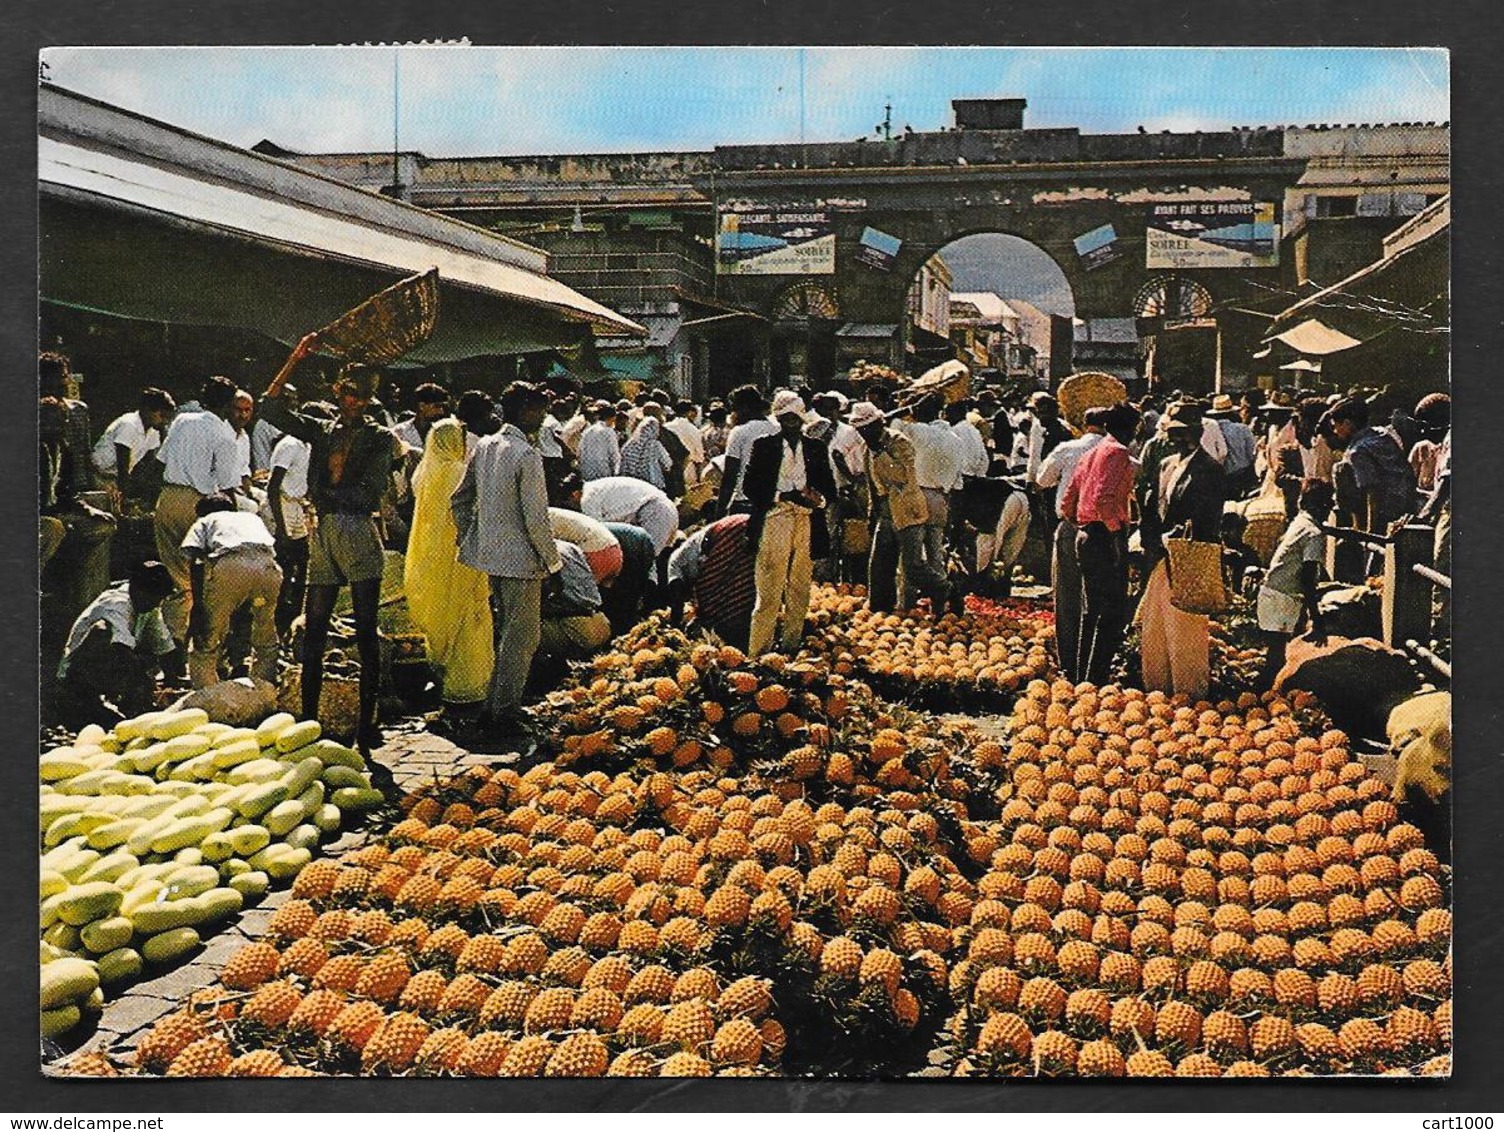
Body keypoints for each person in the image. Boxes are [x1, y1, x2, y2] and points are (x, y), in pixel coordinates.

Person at [260, 335, 402, 755]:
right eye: (349, 394)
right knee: (315, 626)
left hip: (356, 531)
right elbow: (270, 409)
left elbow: (370, 491)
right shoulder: (322, 430)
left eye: (363, 396)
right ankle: (309, 718)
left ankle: (366, 723)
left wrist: (323, 498)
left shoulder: (379, 437)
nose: (355, 402)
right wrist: (295, 358)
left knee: (365, 627)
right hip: (323, 531)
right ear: (338, 393)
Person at [450, 381, 561, 737]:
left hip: (492, 557)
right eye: (538, 409)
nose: (543, 416)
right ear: (523, 411)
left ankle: (494, 705)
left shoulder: (485, 446)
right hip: (523, 560)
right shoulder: (524, 454)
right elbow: (536, 518)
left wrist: (474, 539)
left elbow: (459, 500)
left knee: (507, 634)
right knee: (522, 638)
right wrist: (554, 563)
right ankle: (504, 712)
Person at [1137, 402, 1227, 701]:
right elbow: (1156, 507)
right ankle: (1158, 691)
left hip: (1190, 558)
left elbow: (1209, 516)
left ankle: (1190, 695)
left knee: (1185, 631)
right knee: (1155, 627)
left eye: (1183, 433)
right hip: (1162, 554)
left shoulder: (1210, 469)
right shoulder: (1167, 464)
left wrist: (1184, 537)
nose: (1176, 439)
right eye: (1173, 433)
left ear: (1199, 432)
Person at [405, 418, 494, 716]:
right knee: (467, 616)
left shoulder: (422, 473)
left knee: (441, 612)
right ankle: (467, 689)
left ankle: (443, 680)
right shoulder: (459, 472)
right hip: (459, 553)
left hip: (429, 555)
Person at [743, 392, 837, 657]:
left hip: (806, 519)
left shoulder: (816, 448)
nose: (790, 423)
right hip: (776, 516)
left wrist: (816, 500)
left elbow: (829, 488)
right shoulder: (764, 445)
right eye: (784, 418)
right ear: (778, 419)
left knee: (799, 586)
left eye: (795, 418)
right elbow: (751, 487)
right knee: (769, 590)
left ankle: (790, 647)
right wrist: (782, 496)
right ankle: (758, 652)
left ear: (802, 417)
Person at [152, 375, 243, 642]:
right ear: (228, 405)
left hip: (168, 499)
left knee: (175, 578)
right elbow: (227, 487)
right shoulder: (225, 435)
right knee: (202, 581)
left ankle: (170, 645)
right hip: (200, 505)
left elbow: (160, 462)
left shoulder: (182, 421)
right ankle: (196, 643)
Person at [1061, 404, 1140, 685]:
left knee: (1091, 610)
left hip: (1086, 534)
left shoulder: (1091, 453)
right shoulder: (1118, 452)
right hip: (1103, 537)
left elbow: (1067, 502)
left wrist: (1084, 525)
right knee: (1110, 612)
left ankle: (1083, 676)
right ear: (1130, 429)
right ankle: (1096, 678)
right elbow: (1105, 500)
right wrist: (1116, 539)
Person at [848, 401, 948, 613]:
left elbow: (902, 476)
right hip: (884, 512)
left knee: (912, 567)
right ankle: (880, 608)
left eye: (868, 428)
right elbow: (872, 484)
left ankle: (945, 590)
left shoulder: (898, 442)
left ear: (879, 423)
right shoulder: (868, 447)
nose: (865, 434)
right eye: (861, 430)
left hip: (906, 510)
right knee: (879, 566)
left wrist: (880, 452)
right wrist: (871, 515)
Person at [54, 560, 176, 726]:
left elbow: (163, 644)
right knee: (103, 633)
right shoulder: (117, 604)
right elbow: (121, 650)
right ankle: (83, 698)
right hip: (77, 673)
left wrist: (170, 679)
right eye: (155, 598)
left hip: (114, 664)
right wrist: (145, 682)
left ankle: (124, 702)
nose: (157, 604)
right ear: (138, 590)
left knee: (143, 657)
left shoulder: (148, 606)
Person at [180, 493, 281, 688]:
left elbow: (197, 560)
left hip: (231, 567)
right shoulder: (251, 518)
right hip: (268, 569)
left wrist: (198, 606)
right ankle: (264, 688)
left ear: (202, 513)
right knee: (265, 629)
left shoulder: (206, 520)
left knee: (207, 635)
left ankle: (206, 692)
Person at [1036, 407, 1108, 680]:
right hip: (1106, 531)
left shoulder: (1068, 448)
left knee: (1068, 597)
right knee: (1098, 599)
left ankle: (1070, 665)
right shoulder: (1119, 450)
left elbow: (1042, 479)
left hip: (1071, 526)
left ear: (1084, 424)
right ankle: (1094, 668)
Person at [41, 396, 117, 622]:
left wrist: (90, 511)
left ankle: (82, 595)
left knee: (103, 526)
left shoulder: (63, 450)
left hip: (55, 513)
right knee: (54, 528)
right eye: (48, 422)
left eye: (59, 422)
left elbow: (67, 494)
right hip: (35, 520)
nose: (55, 427)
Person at [1256, 480, 1333, 685]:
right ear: (1319, 506)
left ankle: (1266, 690)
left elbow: (1335, 532)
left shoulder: (1301, 521)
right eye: (1327, 504)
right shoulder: (1314, 534)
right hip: (1281, 597)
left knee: (1278, 651)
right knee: (1277, 656)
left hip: (1273, 592)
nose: (1330, 509)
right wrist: (1316, 617)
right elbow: (1307, 579)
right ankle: (1264, 696)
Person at [266, 402, 331, 638]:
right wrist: (281, 529)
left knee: (302, 565)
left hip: (298, 508)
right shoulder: (289, 445)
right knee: (282, 568)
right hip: (282, 506)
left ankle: (292, 625)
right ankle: (276, 626)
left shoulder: (308, 447)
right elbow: (273, 487)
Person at [665, 512, 757, 650]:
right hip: (738, 525)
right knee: (743, 585)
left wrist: (675, 627)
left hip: (728, 535)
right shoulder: (685, 554)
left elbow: (679, 602)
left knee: (712, 600)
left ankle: (733, 637)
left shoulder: (676, 566)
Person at [92, 388, 175, 506]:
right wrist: (125, 494)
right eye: (162, 416)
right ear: (147, 410)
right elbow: (123, 465)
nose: (165, 421)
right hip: (100, 477)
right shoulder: (129, 425)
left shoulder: (153, 431)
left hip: (115, 478)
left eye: (167, 418)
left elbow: (147, 465)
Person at [537, 539, 613, 660]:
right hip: (601, 622)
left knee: (516, 631)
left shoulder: (536, 554)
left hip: (577, 629)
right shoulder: (570, 547)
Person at [580, 475, 680, 558]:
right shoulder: (596, 487)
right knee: (650, 559)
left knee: (643, 560)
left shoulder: (587, 499)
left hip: (654, 511)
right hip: (661, 508)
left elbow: (597, 533)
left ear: (574, 494)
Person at [717, 385, 778, 517]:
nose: (733, 414)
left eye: (734, 409)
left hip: (745, 503)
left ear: (744, 407)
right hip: (773, 503)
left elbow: (730, 475)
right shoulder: (777, 430)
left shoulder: (739, 432)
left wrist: (720, 511)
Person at [40, 351, 94, 492]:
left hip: (77, 486)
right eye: (59, 377)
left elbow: (85, 451)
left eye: (65, 376)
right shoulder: (40, 411)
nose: (65, 381)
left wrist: (89, 485)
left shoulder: (79, 410)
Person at [550, 495, 624, 588]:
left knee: (580, 594)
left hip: (597, 552)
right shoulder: (554, 513)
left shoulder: (541, 520)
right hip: (614, 550)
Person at [1207, 393, 1258, 498]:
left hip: (1215, 477)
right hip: (1240, 476)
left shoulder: (1208, 430)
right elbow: (1252, 453)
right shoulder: (1242, 429)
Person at [619, 413, 672, 491]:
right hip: (651, 483)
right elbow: (667, 463)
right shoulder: (655, 445)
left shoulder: (630, 443)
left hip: (631, 483)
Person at [251, 384, 295, 475]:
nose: (293, 403)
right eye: (287, 399)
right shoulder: (264, 425)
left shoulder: (296, 423)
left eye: (294, 399)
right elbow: (262, 459)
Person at [394, 383, 450, 453]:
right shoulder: (399, 432)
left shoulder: (443, 434)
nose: (441, 411)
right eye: (437, 406)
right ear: (422, 406)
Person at [664, 399, 707, 489]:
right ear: (689, 412)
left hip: (667, 469)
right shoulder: (693, 430)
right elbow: (699, 457)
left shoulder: (666, 427)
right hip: (688, 470)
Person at [577, 402, 621, 482]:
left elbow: (579, 451)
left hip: (586, 471)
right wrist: (616, 472)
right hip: (603, 472)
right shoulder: (609, 432)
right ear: (613, 418)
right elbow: (614, 454)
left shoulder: (588, 430)